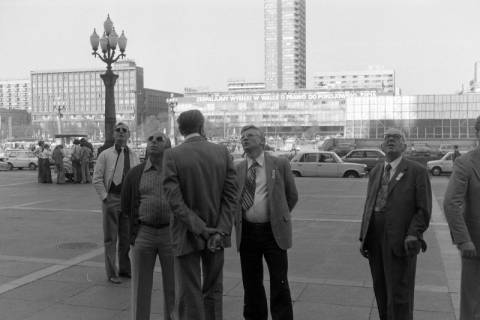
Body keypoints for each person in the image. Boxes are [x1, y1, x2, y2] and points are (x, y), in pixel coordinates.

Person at [163, 109, 238, 320]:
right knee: (214, 289)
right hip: (217, 233)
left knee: (189, 290)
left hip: (186, 233)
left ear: (180, 130)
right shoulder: (222, 152)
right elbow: (231, 196)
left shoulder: (172, 155)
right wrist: (219, 230)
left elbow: (175, 202)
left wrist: (200, 228)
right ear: (202, 126)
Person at [359, 128, 432, 320]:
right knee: (380, 288)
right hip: (375, 237)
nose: (390, 139)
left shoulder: (417, 171)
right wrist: (363, 236)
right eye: (387, 137)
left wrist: (413, 233)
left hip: (401, 238)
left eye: (396, 137)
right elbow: (369, 204)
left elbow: (423, 209)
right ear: (382, 146)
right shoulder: (376, 171)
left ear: (404, 146)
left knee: (400, 292)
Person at [235, 125, 298, 320]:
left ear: (262, 141)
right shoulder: (237, 168)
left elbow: (292, 196)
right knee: (251, 283)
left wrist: (279, 216)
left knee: (279, 281)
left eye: (250, 135)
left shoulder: (279, 163)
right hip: (247, 233)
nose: (245, 139)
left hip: (273, 232)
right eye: (243, 136)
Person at [121, 131, 175, 320]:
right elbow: (126, 204)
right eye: (150, 139)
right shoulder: (135, 173)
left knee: (173, 287)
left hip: (170, 235)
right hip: (144, 234)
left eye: (159, 139)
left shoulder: (175, 172)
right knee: (140, 287)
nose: (154, 142)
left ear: (167, 146)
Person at [93, 122, 139, 284]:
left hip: (128, 201)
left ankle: (125, 269)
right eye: (118, 130)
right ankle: (112, 272)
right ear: (113, 134)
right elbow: (97, 179)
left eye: (124, 131)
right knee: (111, 239)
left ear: (129, 135)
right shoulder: (105, 155)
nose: (120, 133)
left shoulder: (133, 155)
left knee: (126, 238)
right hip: (111, 198)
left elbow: (136, 178)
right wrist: (105, 197)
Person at [443, 116, 480, 320]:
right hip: (475, 246)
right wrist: (464, 240)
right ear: (477, 133)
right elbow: (451, 203)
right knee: (472, 304)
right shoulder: (465, 163)